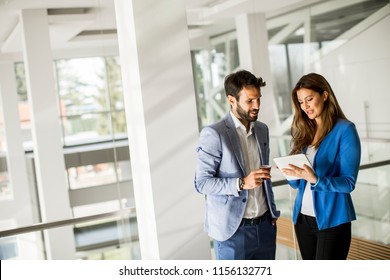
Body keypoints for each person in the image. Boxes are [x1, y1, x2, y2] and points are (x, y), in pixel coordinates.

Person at [194, 69, 280, 260]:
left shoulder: (262, 130)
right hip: (232, 233)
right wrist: (241, 183)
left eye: (258, 99)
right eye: (250, 101)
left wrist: (272, 212)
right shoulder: (214, 134)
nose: (256, 105)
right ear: (231, 100)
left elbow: (263, 176)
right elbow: (202, 183)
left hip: (265, 227)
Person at [280, 73, 361, 260]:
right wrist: (291, 173)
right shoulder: (304, 132)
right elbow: (298, 185)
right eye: (300, 102)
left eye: (309, 99)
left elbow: (348, 183)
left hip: (332, 221)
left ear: (325, 96)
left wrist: (316, 179)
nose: (305, 106)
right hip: (302, 220)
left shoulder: (345, 130)